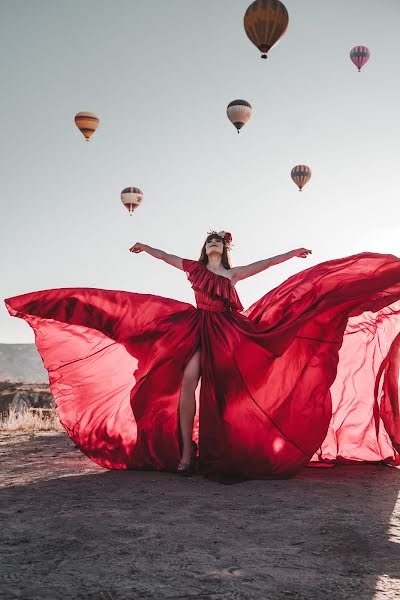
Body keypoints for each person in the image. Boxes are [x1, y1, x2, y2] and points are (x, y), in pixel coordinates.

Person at [4, 231, 400, 482]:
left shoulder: (233, 274)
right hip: (197, 330)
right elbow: (167, 257)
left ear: (225, 250)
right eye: (210, 242)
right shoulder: (194, 269)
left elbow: (267, 264)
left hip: (231, 333)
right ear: (204, 248)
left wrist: (292, 252)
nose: (214, 246)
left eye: (219, 243)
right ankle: (185, 453)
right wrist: (146, 248)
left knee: (229, 393)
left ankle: (225, 448)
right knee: (187, 384)